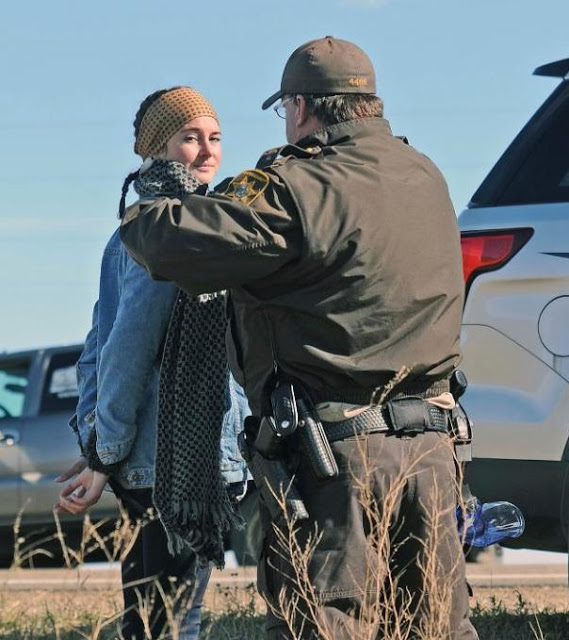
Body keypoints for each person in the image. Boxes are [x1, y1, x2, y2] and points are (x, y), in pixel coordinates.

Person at [120, 37, 478, 639]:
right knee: (435, 623)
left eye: (285, 109)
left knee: (324, 620)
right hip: (435, 453)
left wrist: (152, 195)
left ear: (302, 107)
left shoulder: (298, 185)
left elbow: (168, 242)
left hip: (339, 462)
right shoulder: (425, 175)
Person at [56, 86, 248, 640]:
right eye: (190, 138)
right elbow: (120, 347)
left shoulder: (144, 228)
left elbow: (99, 349)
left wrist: (97, 441)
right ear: (155, 148)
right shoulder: (172, 230)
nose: (207, 150)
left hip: (167, 457)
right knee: (167, 623)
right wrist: (103, 451)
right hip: (177, 463)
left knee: (156, 620)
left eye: (214, 137)